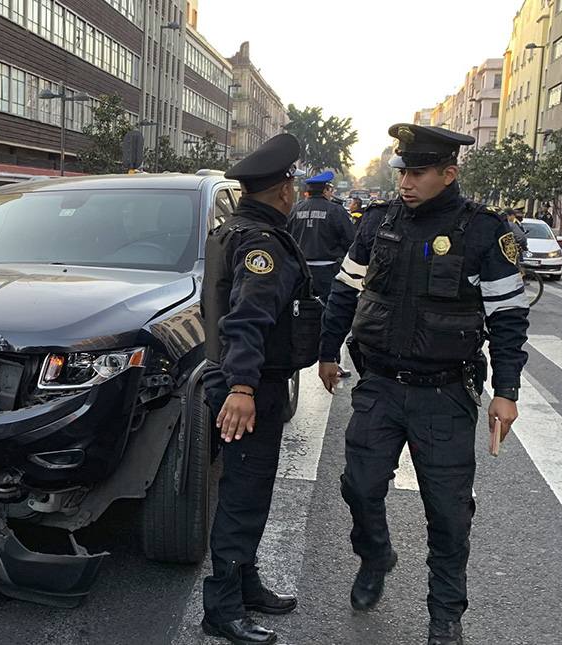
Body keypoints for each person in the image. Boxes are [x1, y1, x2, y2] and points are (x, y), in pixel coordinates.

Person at [319, 124, 529, 645]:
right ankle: (376, 555)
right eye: (402, 172)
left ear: (448, 173)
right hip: (381, 385)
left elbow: (507, 317)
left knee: (449, 514)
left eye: (417, 173)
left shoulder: (484, 231)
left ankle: (445, 619)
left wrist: (507, 391)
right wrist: (327, 352)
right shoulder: (378, 222)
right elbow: (344, 290)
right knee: (359, 487)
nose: (405, 182)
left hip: (444, 392)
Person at [200, 133, 315, 645]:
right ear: (285, 189)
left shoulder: (234, 228)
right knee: (243, 499)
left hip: (240, 380)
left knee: (249, 494)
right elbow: (246, 319)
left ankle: (245, 585)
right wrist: (243, 386)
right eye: (292, 183)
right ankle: (222, 608)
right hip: (248, 385)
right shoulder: (263, 242)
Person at [287, 171, 356, 379]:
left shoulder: (295, 210)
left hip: (299, 273)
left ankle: (293, 359)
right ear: (326, 190)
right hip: (328, 273)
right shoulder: (336, 211)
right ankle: (331, 359)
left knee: (296, 316)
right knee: (331, 317)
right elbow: (351, 241)